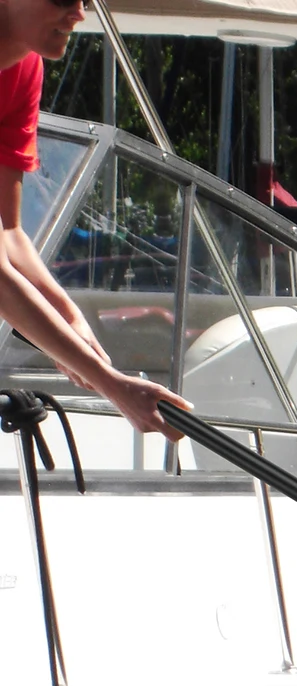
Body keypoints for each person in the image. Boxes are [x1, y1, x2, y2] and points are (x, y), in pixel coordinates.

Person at [0, 0, 186, 437]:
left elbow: (8, 231)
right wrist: (113, 386)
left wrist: (70, 318)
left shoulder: (23, 70)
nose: (79, 15)